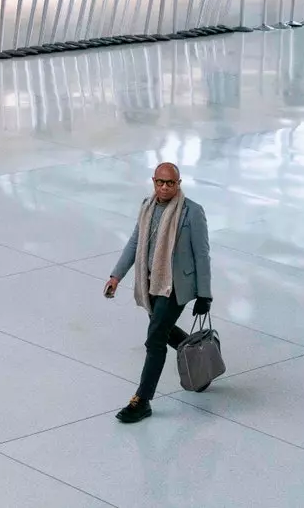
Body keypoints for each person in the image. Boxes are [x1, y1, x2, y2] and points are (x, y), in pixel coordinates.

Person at [103, 161, 213, 423]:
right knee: (162, 330)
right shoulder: (147, 207)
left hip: (175, 287)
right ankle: (200, 367)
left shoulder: (191, 212)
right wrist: (115, 276)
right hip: (151, 282)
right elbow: (134, 243)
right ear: (154, 182)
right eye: (160, 182)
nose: (165, 187)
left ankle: (142, 400)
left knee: (154, 340)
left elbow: (202, 255)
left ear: (179, 184)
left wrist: (205, 294)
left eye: (170, 183)